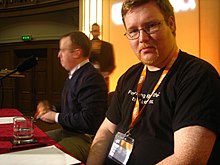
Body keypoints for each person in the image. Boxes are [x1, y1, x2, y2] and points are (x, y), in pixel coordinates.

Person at [86, 0, 220, 165]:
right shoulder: (130, 76)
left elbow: (188, 160)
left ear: (171, 24)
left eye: (150, 26)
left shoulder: (198, 76)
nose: (143, 38)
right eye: (133, 31)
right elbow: (106, 130)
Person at [35, 31, 108, 163]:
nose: (58, 55)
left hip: (86, 138)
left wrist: (55, 116)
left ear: (76, 53)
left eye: (62, 50)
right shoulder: (75, 74)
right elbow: (73, 106)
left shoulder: (91, 77)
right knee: (34, 142)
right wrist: (50, 109)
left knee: (45, 157)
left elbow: (89, 120)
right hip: (69, 132)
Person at [90, 23, 116, 90]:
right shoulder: (87, 46)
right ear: (91, 32)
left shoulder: (108, 46)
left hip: (103, 79)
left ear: (99, 32)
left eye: (97, 31)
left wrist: (106, 73)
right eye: (94, 31)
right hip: (89, 78)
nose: (95, 33)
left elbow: (112, 64)